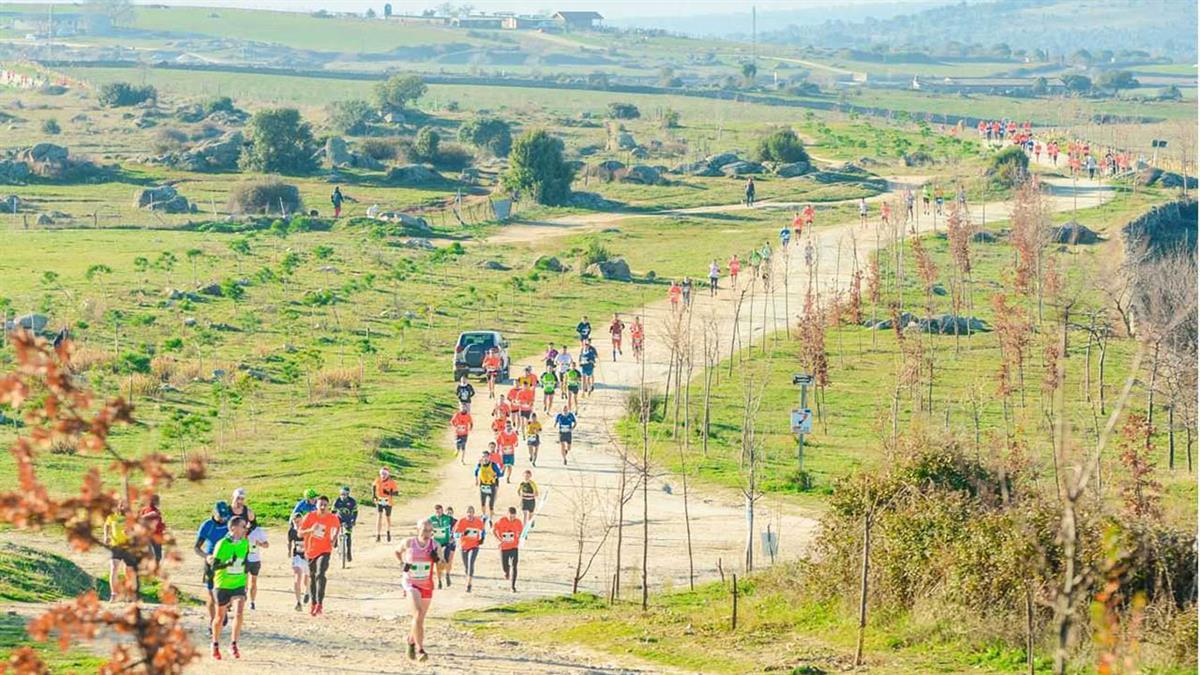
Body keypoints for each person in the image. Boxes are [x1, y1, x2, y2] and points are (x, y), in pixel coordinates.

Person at [208, 516, 250, 661]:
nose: (245, 529)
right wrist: (227, 563)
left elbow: (245, 563)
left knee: (239, 612)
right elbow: (214, 566)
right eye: (243, 526)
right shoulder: (222, 544)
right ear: (233, 528)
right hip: (223, 584)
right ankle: (215, 644)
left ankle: (233, 644)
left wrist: (246, 583)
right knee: (219, 618)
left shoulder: (245, 543)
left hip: (238, 583)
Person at [396, 519, 438, 661]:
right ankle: (421, 650)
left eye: (429, 531)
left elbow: (443, 566)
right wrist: (402, 563)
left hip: (427, 584)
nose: (427, 534)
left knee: (419, 619)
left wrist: (437, 559)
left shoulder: (435, 545)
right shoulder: (409, 543)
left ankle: (410, 641)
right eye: (424, 530)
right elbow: (397, 552)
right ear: (417, 529)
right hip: (410, 583)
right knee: (418, 613)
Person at [299, 495, 340, 616]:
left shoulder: (332, 517)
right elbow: (300, 533)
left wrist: (334, 538)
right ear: (316, 505)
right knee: (312, 577)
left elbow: (337, 527)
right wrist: (310, 530)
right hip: (311, 551)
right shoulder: (310, 516)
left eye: (325, 505)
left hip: (325, 550)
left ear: (328, 506)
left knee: (320, 574)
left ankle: (320, 604)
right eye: (320, 504)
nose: (322, 507)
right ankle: (313, 603)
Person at [195, 501, 232, 623]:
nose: (223, 520)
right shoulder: (207, 525)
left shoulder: (231, 523)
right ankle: (213, 621)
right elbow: (197, 547)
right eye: (221, 517)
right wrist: (207, 556)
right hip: (211, 562)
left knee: (227, 591)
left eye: (225, 517)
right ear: (215, 513)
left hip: (228, 562)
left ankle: (223, 610)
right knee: (211, 593)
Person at [104, 501, 138, 603]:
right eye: (123, 505)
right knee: (114, 568)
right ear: (119, 506)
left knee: (129, 572)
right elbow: (106, 525)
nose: (125, 508)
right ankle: (114, 595)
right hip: (116, 546)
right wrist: (106, 536)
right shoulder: (112, 516)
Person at [453, 506, 485, 593]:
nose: (470, 514)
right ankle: (467, 577)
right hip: (464, 546)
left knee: (471, 563)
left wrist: (482, 539)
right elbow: (455, 534)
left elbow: (483, 530)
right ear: (466, 513)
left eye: (471, 512)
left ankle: (469, 585)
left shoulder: (478, 521)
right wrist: (463, 533)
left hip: (474, 546)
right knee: (466, 566)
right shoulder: (461, 521)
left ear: (474, 513)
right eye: (468, 512)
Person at [493, 507, 524, 592]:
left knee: (515, 566)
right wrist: (498, 540)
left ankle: (513, 586)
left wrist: (519, 538)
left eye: (513, 516)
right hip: (504, 548)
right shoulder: (502, 521)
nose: (512, 518)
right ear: (507, 514)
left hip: (514, 547)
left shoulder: (518, 522)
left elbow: (521, 532)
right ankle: (506, 572)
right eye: (510, 516)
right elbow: (494, 530)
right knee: (505, 567)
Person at [429, 505, 456, 589]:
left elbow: (457, 527)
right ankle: (439, 580)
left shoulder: (448, 518)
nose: (439, 513)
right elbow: (428, 529)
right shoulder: (431, 519)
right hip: (437, 544)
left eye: (440, 511)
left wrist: (453, 537)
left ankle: (447, 574)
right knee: (438, 562)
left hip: (447, 543)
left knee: (447, 560)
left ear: (442, 511)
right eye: (437, 511)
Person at [245, 519, 269, 610]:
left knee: (253, 581)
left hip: (255, 559)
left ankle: (252, 602)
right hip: (244, 559)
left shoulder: (258, 531)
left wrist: (259, 543)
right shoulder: (241, 529)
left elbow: (267, 545)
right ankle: (243, 597)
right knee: (244, 581)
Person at [287, 512, 308, 611]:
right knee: (297, 577)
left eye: (298, 522)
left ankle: (307, 591)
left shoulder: (307, 530)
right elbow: (290, 542)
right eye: (295, 522)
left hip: (307, 557)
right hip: (297, 556)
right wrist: (289, 551)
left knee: (306, 580)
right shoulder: (291, 531)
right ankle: (298, 602)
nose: (296, 524)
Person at [138, 494, 165, 567]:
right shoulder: (151, 511)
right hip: (152, 535)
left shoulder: (153, 510)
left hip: (155, 534)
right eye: (157, 500)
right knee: (155, 554)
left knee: (156, 554)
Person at [333, 486, 358, 563]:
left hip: (348, 519)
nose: (343, 496)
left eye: (345, 494)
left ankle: (349, 552)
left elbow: (355, 512)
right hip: (339, 518)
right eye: (341, 494)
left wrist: (354, 520)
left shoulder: (352, 501)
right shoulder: (337, 501)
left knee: (348, 535)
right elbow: (333, 512)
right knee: (334, 527)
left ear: (348, 494)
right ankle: (335, 540)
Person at [475, 449, 502, 520]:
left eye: (486, 456)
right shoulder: (479, 464)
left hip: (491, 485)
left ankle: (491, 518)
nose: (485, 458)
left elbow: (499, 474)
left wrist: (495, 476)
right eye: (483, 456)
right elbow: (475, 472)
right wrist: (476, 481)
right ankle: (484, 515)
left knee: (491, 503)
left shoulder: (493, 465)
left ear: (489, 457)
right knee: (483, 502)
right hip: (483, 485)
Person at [373, 467, 398, 542]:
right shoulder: (378, 480)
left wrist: (389, 493)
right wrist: (373, 496)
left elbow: (396, 493)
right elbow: (373, 486)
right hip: (379, 500)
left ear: (388, 475)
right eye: (381, 474)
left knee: (388, 518)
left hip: (388, 501)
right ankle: (378, 534)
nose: (383, 475)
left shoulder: (391, 482)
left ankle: (388, 532)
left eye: (384, 474)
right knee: (379, 516)